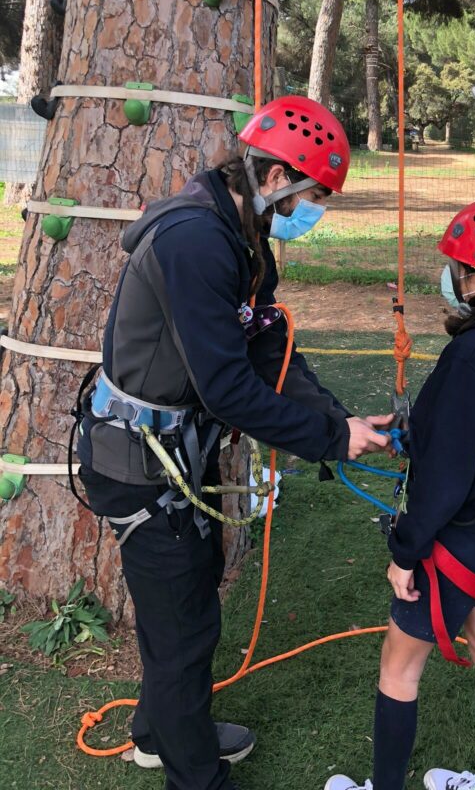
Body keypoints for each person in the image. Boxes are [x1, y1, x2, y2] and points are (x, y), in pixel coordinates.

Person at [75, 95, 391, 790]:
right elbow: (228, 389)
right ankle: (196, 774)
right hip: (137, 462)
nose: (313, 211)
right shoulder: (196, 241)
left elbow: (269, 346)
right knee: (184, 625)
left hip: (172, 455)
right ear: (274, 177)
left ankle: (160, 731)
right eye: (311, 195)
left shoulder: (241, 235)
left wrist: (339, 421)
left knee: (188, 609)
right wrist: (329, 439)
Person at [325, 196, 475, 790]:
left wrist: (405, 553)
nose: (447, 278)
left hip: (454, 539)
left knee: (399, 667)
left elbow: (445, 481)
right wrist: (418, 433)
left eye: (457, 268)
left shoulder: (468, 358)